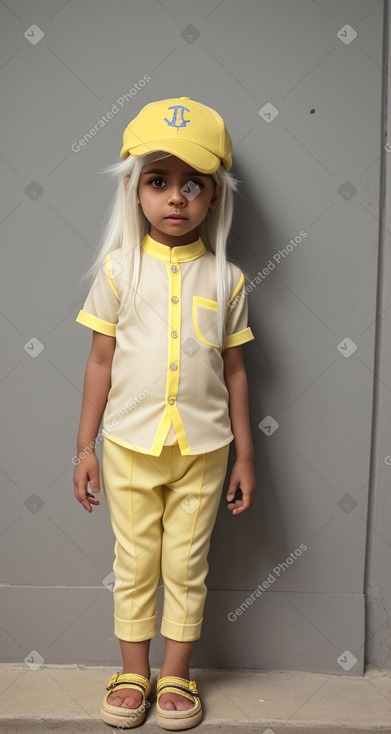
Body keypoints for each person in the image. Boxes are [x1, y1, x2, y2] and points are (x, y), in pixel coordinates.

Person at [73, 96, 256, 730]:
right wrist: (83, 450)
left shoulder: (226, 279)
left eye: (192, 185)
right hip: (127, 445)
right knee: (136, 561)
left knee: (185, 562)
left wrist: (247, 458)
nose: (175, 198)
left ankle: (177, 673)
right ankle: (134, 671)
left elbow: (234, 370)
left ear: (214, 197)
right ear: (135, 190)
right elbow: (100, 363)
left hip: (205, 451)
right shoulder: (118, 271)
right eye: (158, 182)